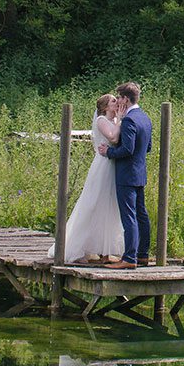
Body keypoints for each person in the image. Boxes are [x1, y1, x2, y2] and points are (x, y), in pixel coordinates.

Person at [51, 94, 127, 264]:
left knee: (110, 206)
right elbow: (113, 137)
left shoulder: (115, 122)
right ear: (105, 107)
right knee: (94, 203)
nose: (117, 103)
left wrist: (119, 121)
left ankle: (106, 252)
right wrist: (121, 120)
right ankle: (77, 247)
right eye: (113, 101)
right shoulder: (101, 120)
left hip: (113, 164)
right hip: (103, 166)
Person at [100, 81, 151, 269]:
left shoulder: (129, 120)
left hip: (127, 174)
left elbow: (127, 149)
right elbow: (148, 147)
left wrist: (109, 153)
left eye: (119, 97)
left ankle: (130, 258)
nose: (118, 100)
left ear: (125, 99)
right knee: (141, 214)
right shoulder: (145, 117)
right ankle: (143, 255)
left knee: (129, 216)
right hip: (139, 172)